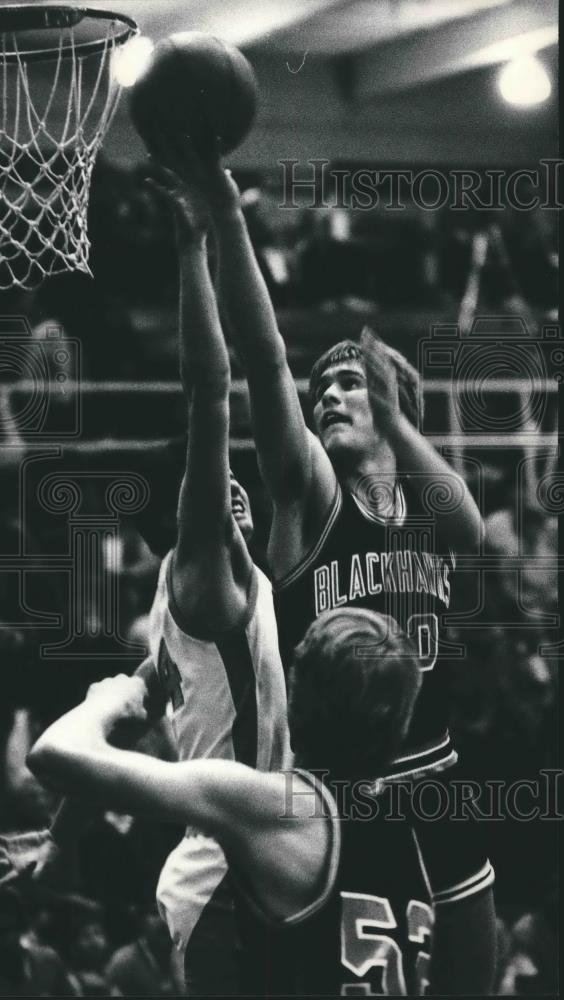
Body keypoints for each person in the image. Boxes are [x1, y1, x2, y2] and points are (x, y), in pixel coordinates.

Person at [167, 155, 495, 994]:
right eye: (325, 390)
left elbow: (464, 529)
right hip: (332, 802)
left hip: (436, 780)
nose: (328, 397)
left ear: (395, 406)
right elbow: (266, 362)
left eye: (350, 384)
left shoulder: (431, 501)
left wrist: (396, 416)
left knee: (472, 975)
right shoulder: (311, 497)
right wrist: (226, 217)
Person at [34, 153, 290, 996]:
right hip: (228, 867)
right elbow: (212, 391)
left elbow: (120, 728)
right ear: (190, 519)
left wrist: (57, 837)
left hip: (228, 854)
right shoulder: (200, 582)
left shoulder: (189, 613)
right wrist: (194, 245)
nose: (236, 488)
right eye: (219, 487)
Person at [29, 607, 434, 997]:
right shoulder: (414, 836)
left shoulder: (274, 808)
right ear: (400, 727)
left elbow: (54, 754)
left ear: (294, 700)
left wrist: (109, 698)